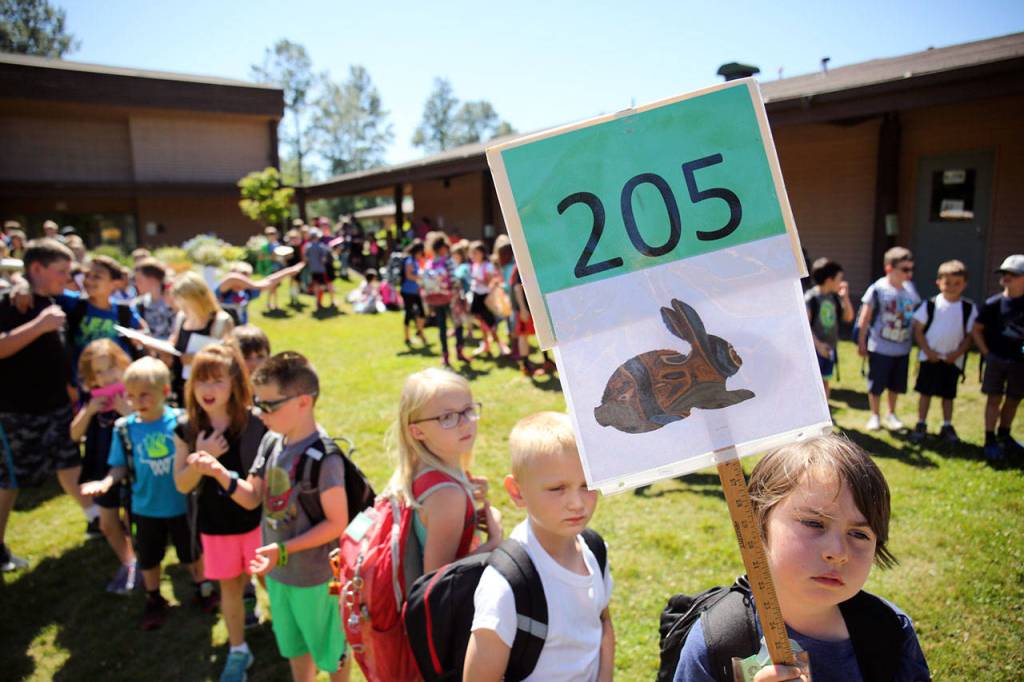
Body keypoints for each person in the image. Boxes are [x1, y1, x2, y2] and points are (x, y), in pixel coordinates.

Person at [672, 434, 930, 682]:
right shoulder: (717, 643)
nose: (838, 553)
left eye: (859, 534)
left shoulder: (889, 630)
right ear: (757, 525)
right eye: (813, 523)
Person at [189, 352, 350, 681]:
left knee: (332, 652)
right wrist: (221, 474)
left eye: (268, 405)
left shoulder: (324, 457)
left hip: (315, 578)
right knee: (294, 647)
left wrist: (285, 550)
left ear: (303, 402)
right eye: (258, 403)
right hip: (279, 575)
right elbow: (251, 499)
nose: (259, 413)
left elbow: (337, 522)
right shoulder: (271, 440)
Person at [465, 411, 614, 681]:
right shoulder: (505, 586)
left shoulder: (594, 549)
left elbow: (603, 623)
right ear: (517, 492)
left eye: (587, 485)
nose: (577, 503)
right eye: (558, 488)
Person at [80, 357, 207, 630]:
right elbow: (119, 466)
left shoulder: (182, 421)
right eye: (131, 396)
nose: (138, 401)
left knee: (192, 553)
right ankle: (154, 598)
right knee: (149, 557)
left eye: (145, 395)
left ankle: (203, 589)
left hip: (182, 505)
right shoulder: (124, 429)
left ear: (164, 392)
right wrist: (107, 482)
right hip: (145, 508)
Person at [174, 344, 267, 682]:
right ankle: (239, 648)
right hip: (217, 526)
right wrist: (202, 456)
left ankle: (291, 635)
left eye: (217, 381)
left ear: (235, 383)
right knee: (229, 588)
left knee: (270, 579)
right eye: (201, 381)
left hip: (257, 521)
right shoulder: (186, 426)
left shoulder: (255, 422)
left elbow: (260, 486)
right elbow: (182, 484)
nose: (208, 390)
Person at [0, 238, 93, 572]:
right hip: (16, 410)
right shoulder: (11, 304)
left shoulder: (55, 302)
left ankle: (95, 518)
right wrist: (38, 326)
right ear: (36, 268)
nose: (66, 278)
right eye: (61, 271)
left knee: (69, 462)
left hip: (56, 406)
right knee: (9, 480)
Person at [385, 368, 503, 575]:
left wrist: (469, 509)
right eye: (447, 417)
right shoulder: (447, 495)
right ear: (418, 432)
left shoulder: (418, 468)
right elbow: (437, 579)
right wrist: (494, 542)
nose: (465, 423)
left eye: (468, 410)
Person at [71, 339, 137, 592]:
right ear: (90, 377)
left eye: (111, 367)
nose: (107, 376)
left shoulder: (131, 394)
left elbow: (145, 424)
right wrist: (88, 412)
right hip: (100, 470)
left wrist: (126, 411)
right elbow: (74, 435)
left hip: (131, 469)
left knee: (134, 520)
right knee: (107, 523)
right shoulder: (92, 402)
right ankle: (128, 561)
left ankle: (142, 564)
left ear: (122, 365)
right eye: (99, 371)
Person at [909, 260, 977, 445]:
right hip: (929, 359)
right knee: (925, 392)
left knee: (948, 395)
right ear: (938, 282)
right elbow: (918, 330)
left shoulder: (968, 308)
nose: (952, 287)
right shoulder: (930, 305)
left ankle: (947, 426)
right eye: (947, 282)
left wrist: (957, 354)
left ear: (965, 284)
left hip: (952, 360)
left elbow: (970, 336)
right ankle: (921, 424)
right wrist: (928, 351)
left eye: (957, 283)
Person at [856, 247, 920, 431]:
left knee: (896, 385)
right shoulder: (878, 289)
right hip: (880, 347)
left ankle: (891, 414)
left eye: (911, 269)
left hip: (902, 348)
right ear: (889, 268)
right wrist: (862, 342)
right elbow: (865, 318)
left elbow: (915, 314)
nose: (909, 274)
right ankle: (875, 416)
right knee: (876, 384)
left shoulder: (910, 289)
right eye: (905, 269)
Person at [58, 255, 145, 385]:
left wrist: (138, 338)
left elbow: (144, 331)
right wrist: (22, 285)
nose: (88, 280)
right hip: (84, 386)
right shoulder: (73, 303)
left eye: (97, 277)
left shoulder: (123, 311)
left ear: (115, 283)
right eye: (87, 275)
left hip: (118, 385)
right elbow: (43, 288)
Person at [973, 254, 1024, 461]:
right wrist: (987, 354)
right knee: (994, 398)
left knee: (1013, 399)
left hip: (1020, 363)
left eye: (1012, 274)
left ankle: (1005, 434)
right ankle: (989, 438)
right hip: (996, 360)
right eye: (1004, 273)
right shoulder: (993, 304)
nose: (1006, 277)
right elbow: (976, 330)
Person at [168, 271, 235, 402]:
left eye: (185, 303)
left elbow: (230, 357)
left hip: (208, 390)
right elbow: (174, 342)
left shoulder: (221, 322)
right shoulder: (182, 318)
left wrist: (198, 359)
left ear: (197, 299)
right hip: (181, 385)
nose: (181, 307)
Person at [805, 259, 854, 400]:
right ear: (829, 280)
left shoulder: (834, 297)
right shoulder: (811, 298)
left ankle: (825, 410)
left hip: (830, 349)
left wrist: (845, 298)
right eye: (839, 279)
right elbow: (805, 327)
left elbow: (848, 317)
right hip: (815, 349)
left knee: (825, 380)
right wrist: (818, 345)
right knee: (813, 382)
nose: (842, 283)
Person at [424, 236, 468, 367]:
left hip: (436, 299)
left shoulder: (430, 263)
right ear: (442, 248)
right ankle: (459, 352)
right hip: (451, 299)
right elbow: (455, 280)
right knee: (458, 325)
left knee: (442, 327)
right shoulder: (448, 262)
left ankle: (445, 356)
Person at [468, 241, 509, 357]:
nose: (473, 256)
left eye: (475, 253)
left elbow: (490, 283)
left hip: (485, 298)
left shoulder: (488, 266)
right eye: (472, 253)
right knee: (482, 323)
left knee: (490, 324)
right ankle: (486, 345)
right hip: (477, 297)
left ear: (482, 253)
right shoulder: (475, 265)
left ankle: (501, 346)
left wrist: (478, 280)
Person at [133, 258, 177, 340]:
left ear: (152, 279)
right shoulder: (139, 304)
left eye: (139, 280)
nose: (136, 284)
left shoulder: (175, 303)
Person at [400, 240, 428, 347]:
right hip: (407, 291)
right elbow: (409, 276)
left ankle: (420, 332)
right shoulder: (409, 261)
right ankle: (407, 337)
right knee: (408, 313)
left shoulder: (415, 261)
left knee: (421, 313)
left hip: (415, 291)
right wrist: (421, 278)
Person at [303, 228, 334, 310]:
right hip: (321, 269)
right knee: (322, 286)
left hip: (312, 269)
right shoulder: (321, 246)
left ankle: (317, 302)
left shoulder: (307, 246)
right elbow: (324, 259)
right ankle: (320, 301)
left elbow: (306, 258)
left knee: (316, 285)